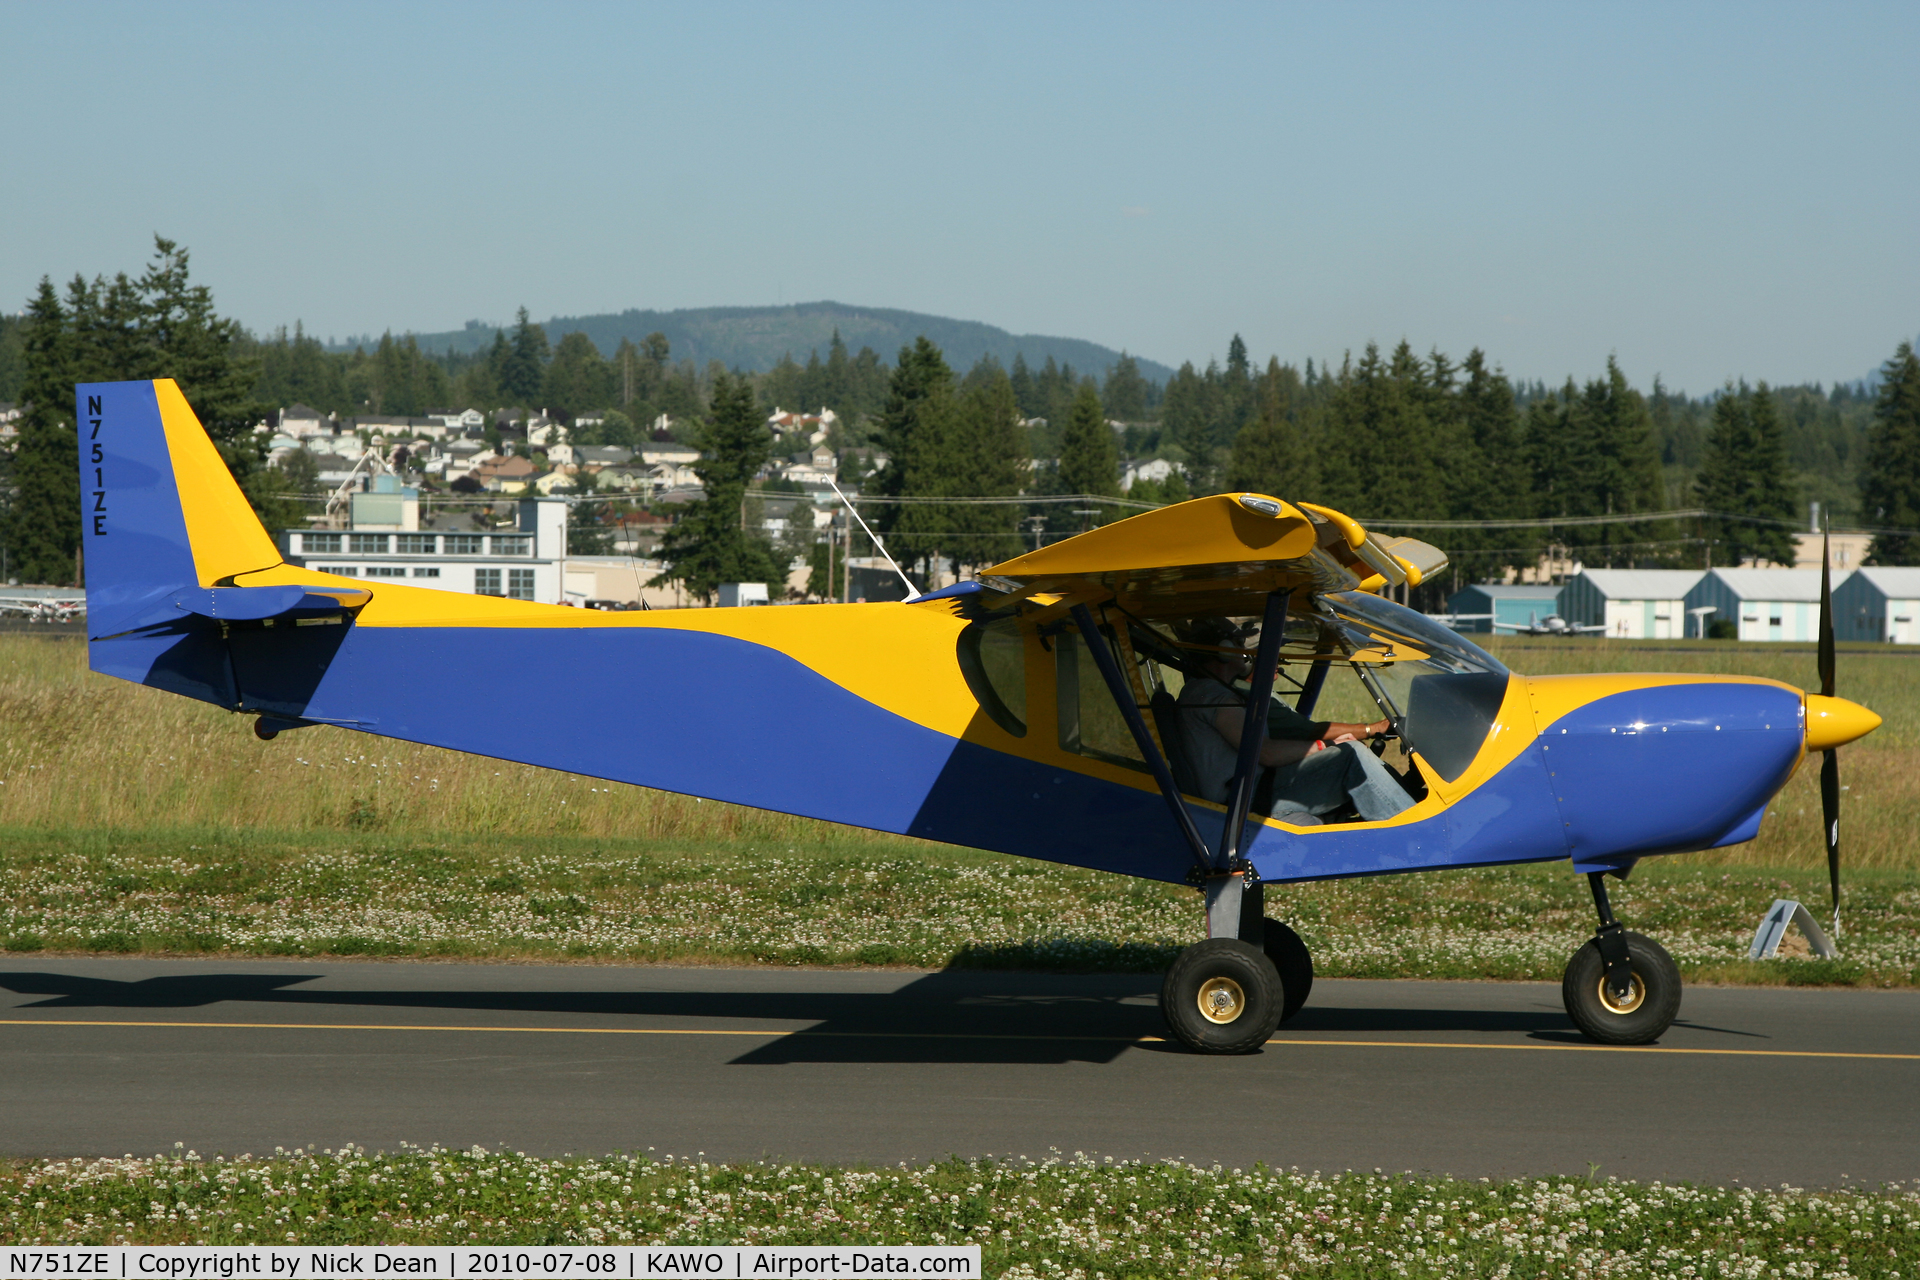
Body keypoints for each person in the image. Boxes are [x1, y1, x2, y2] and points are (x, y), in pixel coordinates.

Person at [1175, 617, 1416, 824]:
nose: (1247, 654)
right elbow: (1265, 753)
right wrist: (1325, 745)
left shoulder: (1206, 692)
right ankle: (1414, 825)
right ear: (1226, 651)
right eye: (1239, 645)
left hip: (1251, 790)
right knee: (1351, 756)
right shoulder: (1217, 697)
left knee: (1349, 751)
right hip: (1248, 797)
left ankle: (1408, 802)